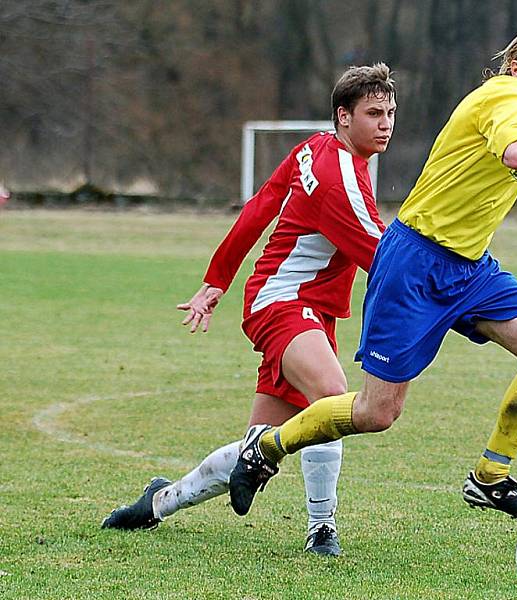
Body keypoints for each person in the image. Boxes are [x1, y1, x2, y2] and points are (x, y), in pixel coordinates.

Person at [228, 23, 517, 523]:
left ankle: (490, 479)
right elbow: (516, 152)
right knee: (374, 413)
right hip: (415, 264)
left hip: (470, 269)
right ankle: (267, 448)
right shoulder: (506, 96)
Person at [101, 63, 397, 556]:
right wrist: (448, 295)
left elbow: (261, 205)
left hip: (306, 309)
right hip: (282, 301)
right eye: (373, 113)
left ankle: (158, 502)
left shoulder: (316, 150)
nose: (385, 123)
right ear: (343, 117)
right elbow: (382, 257)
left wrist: (215, 281)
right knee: (332, 394)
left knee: (256, 449)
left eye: (390, 112)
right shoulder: (334, 172)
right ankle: (321, 528)